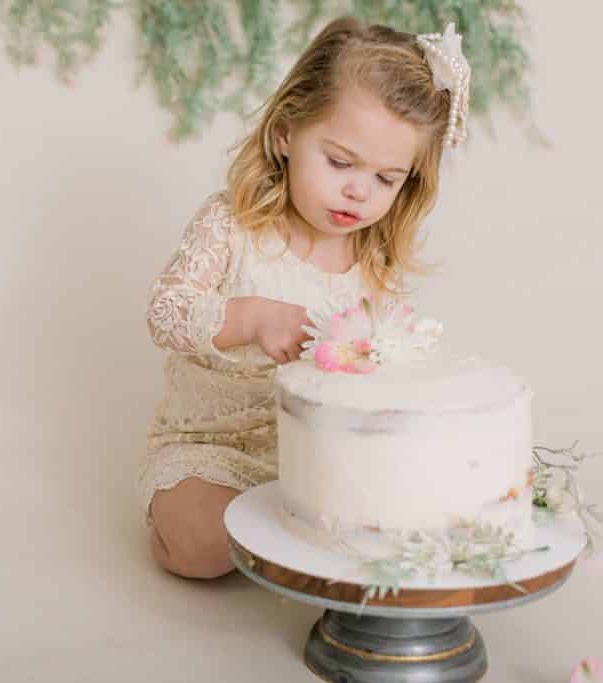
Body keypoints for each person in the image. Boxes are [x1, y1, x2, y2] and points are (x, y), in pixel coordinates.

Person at [138, 16, 472, 579]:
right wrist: (247, 317)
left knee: (413, 505)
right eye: (340, 162)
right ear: (286, 133)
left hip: (312, 456)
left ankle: (299, 538)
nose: (357, 190)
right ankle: (183, 522)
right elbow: (164, 313)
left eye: (387, 178)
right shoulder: (232, 226)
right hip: (210, 449)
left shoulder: (373, 264)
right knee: (203, 547)